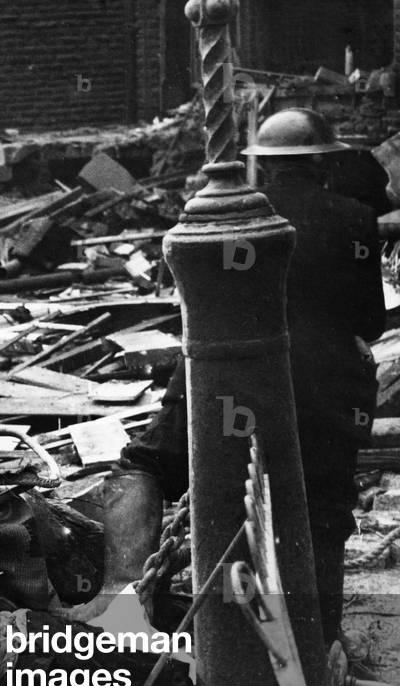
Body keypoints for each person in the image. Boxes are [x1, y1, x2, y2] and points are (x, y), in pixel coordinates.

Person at [69, 108, 386, 646]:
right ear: (323, 164)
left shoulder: (215, 217)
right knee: (324, 502)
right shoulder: (355, 219)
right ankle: (321, 636)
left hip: (219, 374)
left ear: (261, 166)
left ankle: (121, 598)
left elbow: (193, 305)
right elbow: (370, 321)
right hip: (326, 384)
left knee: (145, 465)